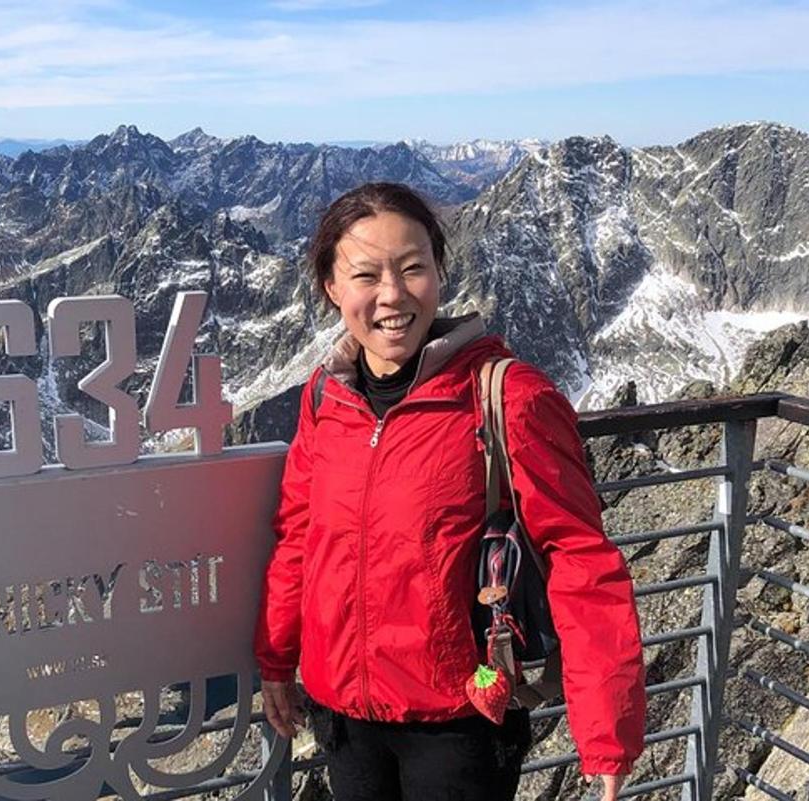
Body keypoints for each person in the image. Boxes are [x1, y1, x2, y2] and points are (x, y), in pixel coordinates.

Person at [254, 182, 646, 801]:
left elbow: (580, 556)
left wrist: (607, 729)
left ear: (439, 272)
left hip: (461, 725)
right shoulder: (326, 396)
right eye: (365, 275)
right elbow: (301, 536)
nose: (392, 295)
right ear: (332, 288)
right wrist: (277, 660)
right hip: (345, 717)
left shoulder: (506, 396)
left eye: (413, 268)